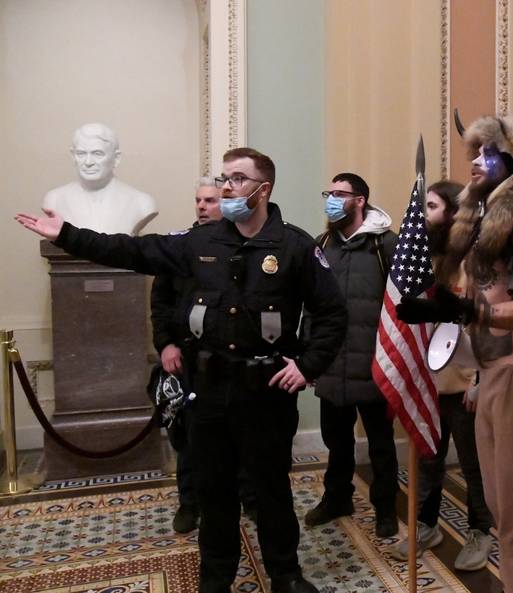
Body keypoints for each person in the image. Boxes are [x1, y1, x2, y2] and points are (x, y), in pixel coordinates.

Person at [17, 147, 347, 593]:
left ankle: (285, 574)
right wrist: (68, 235)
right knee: (214, 492)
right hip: (208, 392)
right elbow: (133, 251)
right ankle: (216, 578)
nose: (227, 187)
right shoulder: (199, 243)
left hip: (265, 394)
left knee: (271, 489)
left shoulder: (295, 246)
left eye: (238, 179)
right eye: (224, 178)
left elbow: (332, 314)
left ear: (263, 189)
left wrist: (308, 366)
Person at [396, 114, 513, 593]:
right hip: (490, 375)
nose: (476, 160)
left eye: (488, 153)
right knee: (499, 506)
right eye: (475, 151)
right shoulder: (480, 228)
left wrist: (467, 309)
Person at [390, 180, 494, 571]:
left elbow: (486, 323)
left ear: (453, 211)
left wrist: (480, 380)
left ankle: (480, 531)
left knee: (472, 464)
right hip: (427, 382)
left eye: (431, 206)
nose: (423, 215)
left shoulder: (476, 259)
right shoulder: (424, 259)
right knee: (428, 459)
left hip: (464, 379)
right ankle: (426, 525)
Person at [150, 177, 257, 533]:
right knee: (189, 437)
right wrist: (166, 345)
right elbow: (160, 304)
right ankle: (189, 503)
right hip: (188, 360)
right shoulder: (180, 247)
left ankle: (250, 499)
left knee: (243, 434)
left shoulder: (245, 246)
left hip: (235, 361)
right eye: (198, 200)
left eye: (210, 200)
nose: (201, 206)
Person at [303, 172, 400, 538]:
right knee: (337, 440)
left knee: (380, 444)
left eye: (340, 194)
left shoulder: (384, 244)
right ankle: (337, 498)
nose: (331, 200)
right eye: (328, 193)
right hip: (331, 363)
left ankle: (385, 508)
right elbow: (311, 305)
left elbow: (402, 304)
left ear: (360, 200)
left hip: (373, 364)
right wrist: (308, 355)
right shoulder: (322, 243)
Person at [43, 123, 157, 235]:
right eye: (81, 153)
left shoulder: (141, 203)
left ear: (116, 158)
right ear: (73, 156)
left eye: (97, 154)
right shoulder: (55, 199)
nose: (88, 162)